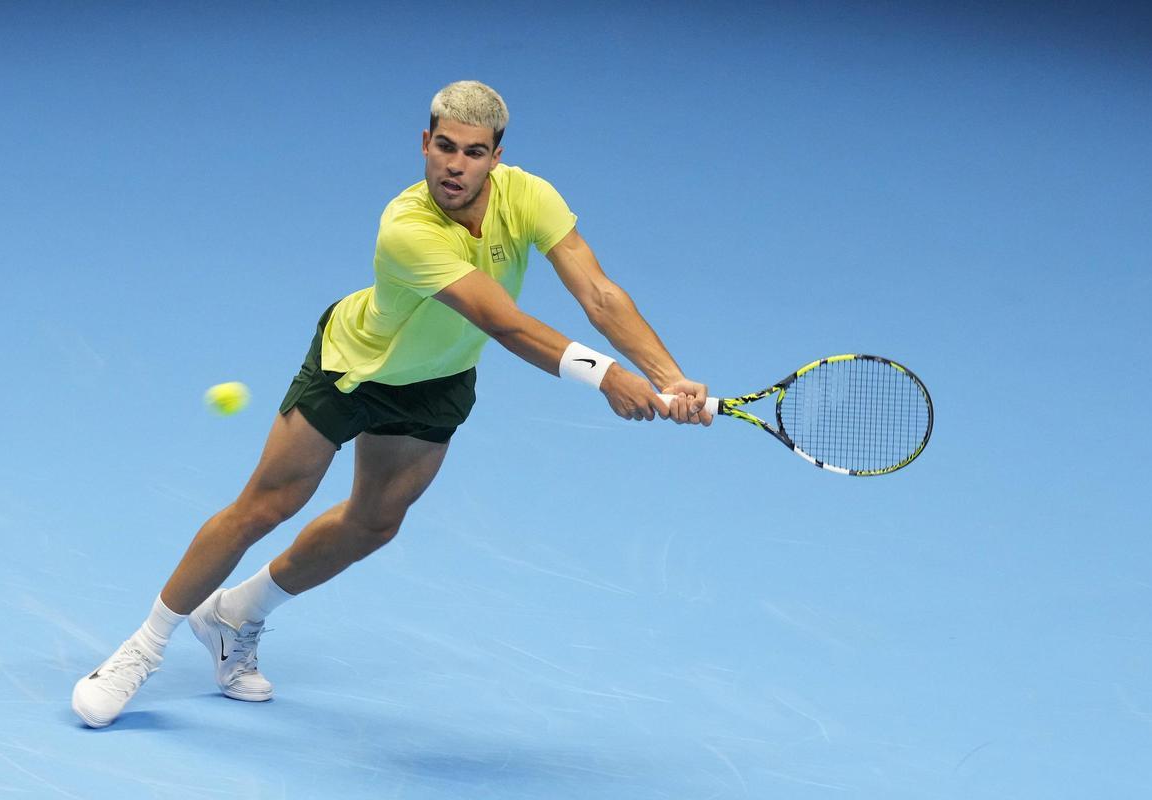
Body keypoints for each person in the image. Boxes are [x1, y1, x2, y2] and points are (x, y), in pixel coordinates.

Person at [72, 80, 711, 728]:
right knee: (264, 506)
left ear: (497, 155)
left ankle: (236, 615)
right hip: (356, 368)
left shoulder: (530, 196)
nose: (455, 165)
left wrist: (669, 376)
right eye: (444, 147)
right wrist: (604, 374)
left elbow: (598, 293)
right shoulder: (408, 227)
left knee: (374, 523)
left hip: (438, 382)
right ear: (425, 143)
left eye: (472, 152)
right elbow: (504, 321)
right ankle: (141, 649)